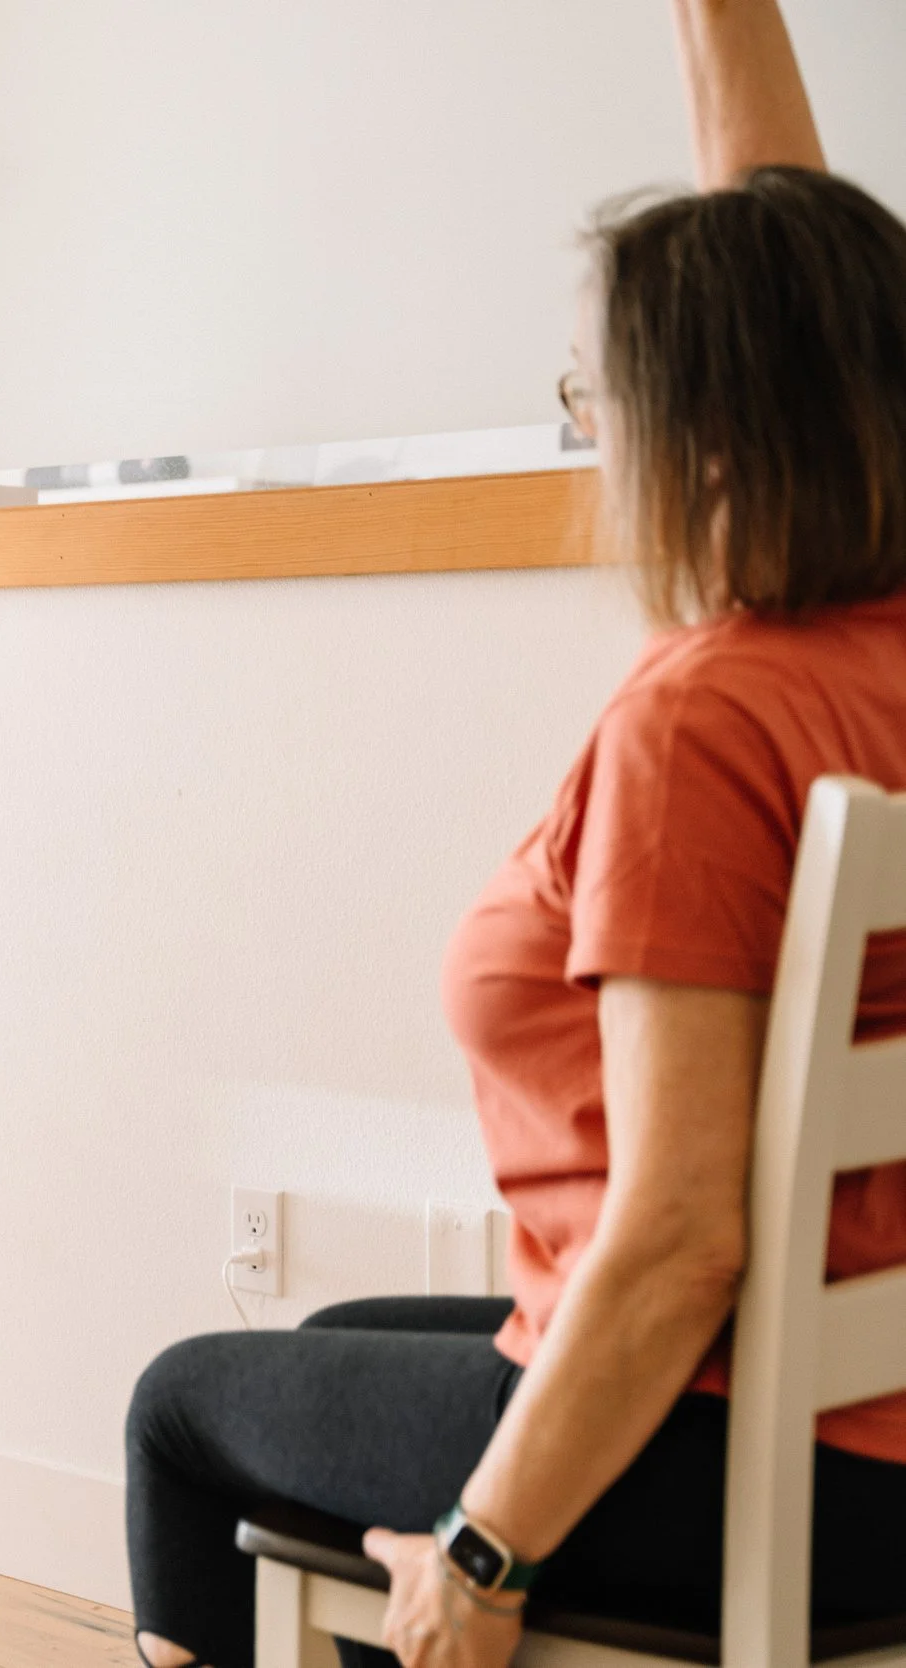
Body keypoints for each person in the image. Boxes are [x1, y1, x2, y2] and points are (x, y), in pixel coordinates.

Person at [121, 3, 906, 1666]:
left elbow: (681, 1238)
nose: (591, 434)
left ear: (710, 436)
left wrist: (481, 1561)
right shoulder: (870, 650)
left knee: (183, 1408)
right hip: (873, 1402)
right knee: (345, 1331)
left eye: (595, 397)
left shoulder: (707, 723)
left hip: (765, 1449)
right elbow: (798, 283)